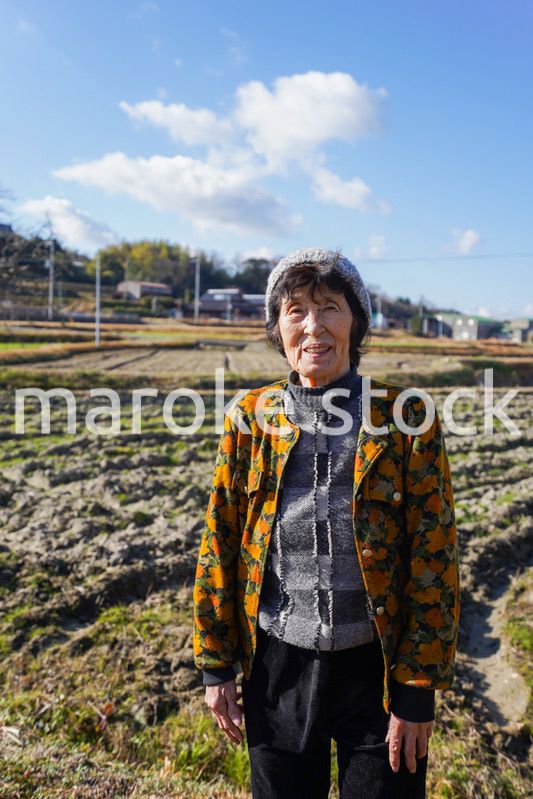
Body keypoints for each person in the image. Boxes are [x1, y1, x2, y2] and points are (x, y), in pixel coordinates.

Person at [193, 247, 460, 799]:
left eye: (330, 308)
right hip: (278, 668)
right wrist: (215, 664)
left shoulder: (405, 416)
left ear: (356, 322)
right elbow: (219, 538)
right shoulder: (250, 417)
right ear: (277, 327)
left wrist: (416, 691)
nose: (313, 327)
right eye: (295, 311)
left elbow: (435, 558)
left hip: (377, 671)